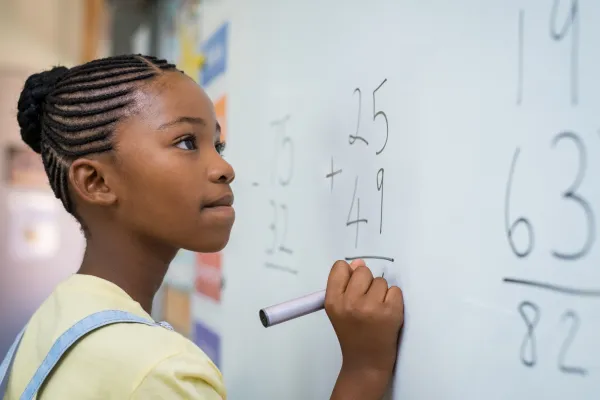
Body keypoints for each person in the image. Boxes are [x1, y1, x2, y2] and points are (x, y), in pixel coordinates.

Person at [0, 54, 404, 400]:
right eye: (187, 143)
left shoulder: (53, 321)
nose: (225, 168)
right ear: (97, 183)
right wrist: (364, 371)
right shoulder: (159, 372)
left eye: (218, 145)